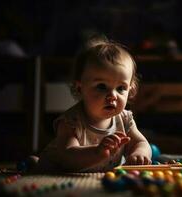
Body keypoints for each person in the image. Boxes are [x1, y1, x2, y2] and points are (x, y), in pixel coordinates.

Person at [36, 37, 152, 172]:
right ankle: (36, 162)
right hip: (56, 169)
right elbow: (67, 157)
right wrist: (97, 152)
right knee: (41, 166)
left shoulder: (124, 119)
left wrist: (139, 153)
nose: (113, 96)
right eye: (102, 86)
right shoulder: (71, 122)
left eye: (121, 88)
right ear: (80, 88)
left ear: (130, 89)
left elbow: (141, 143)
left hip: (99, 177)